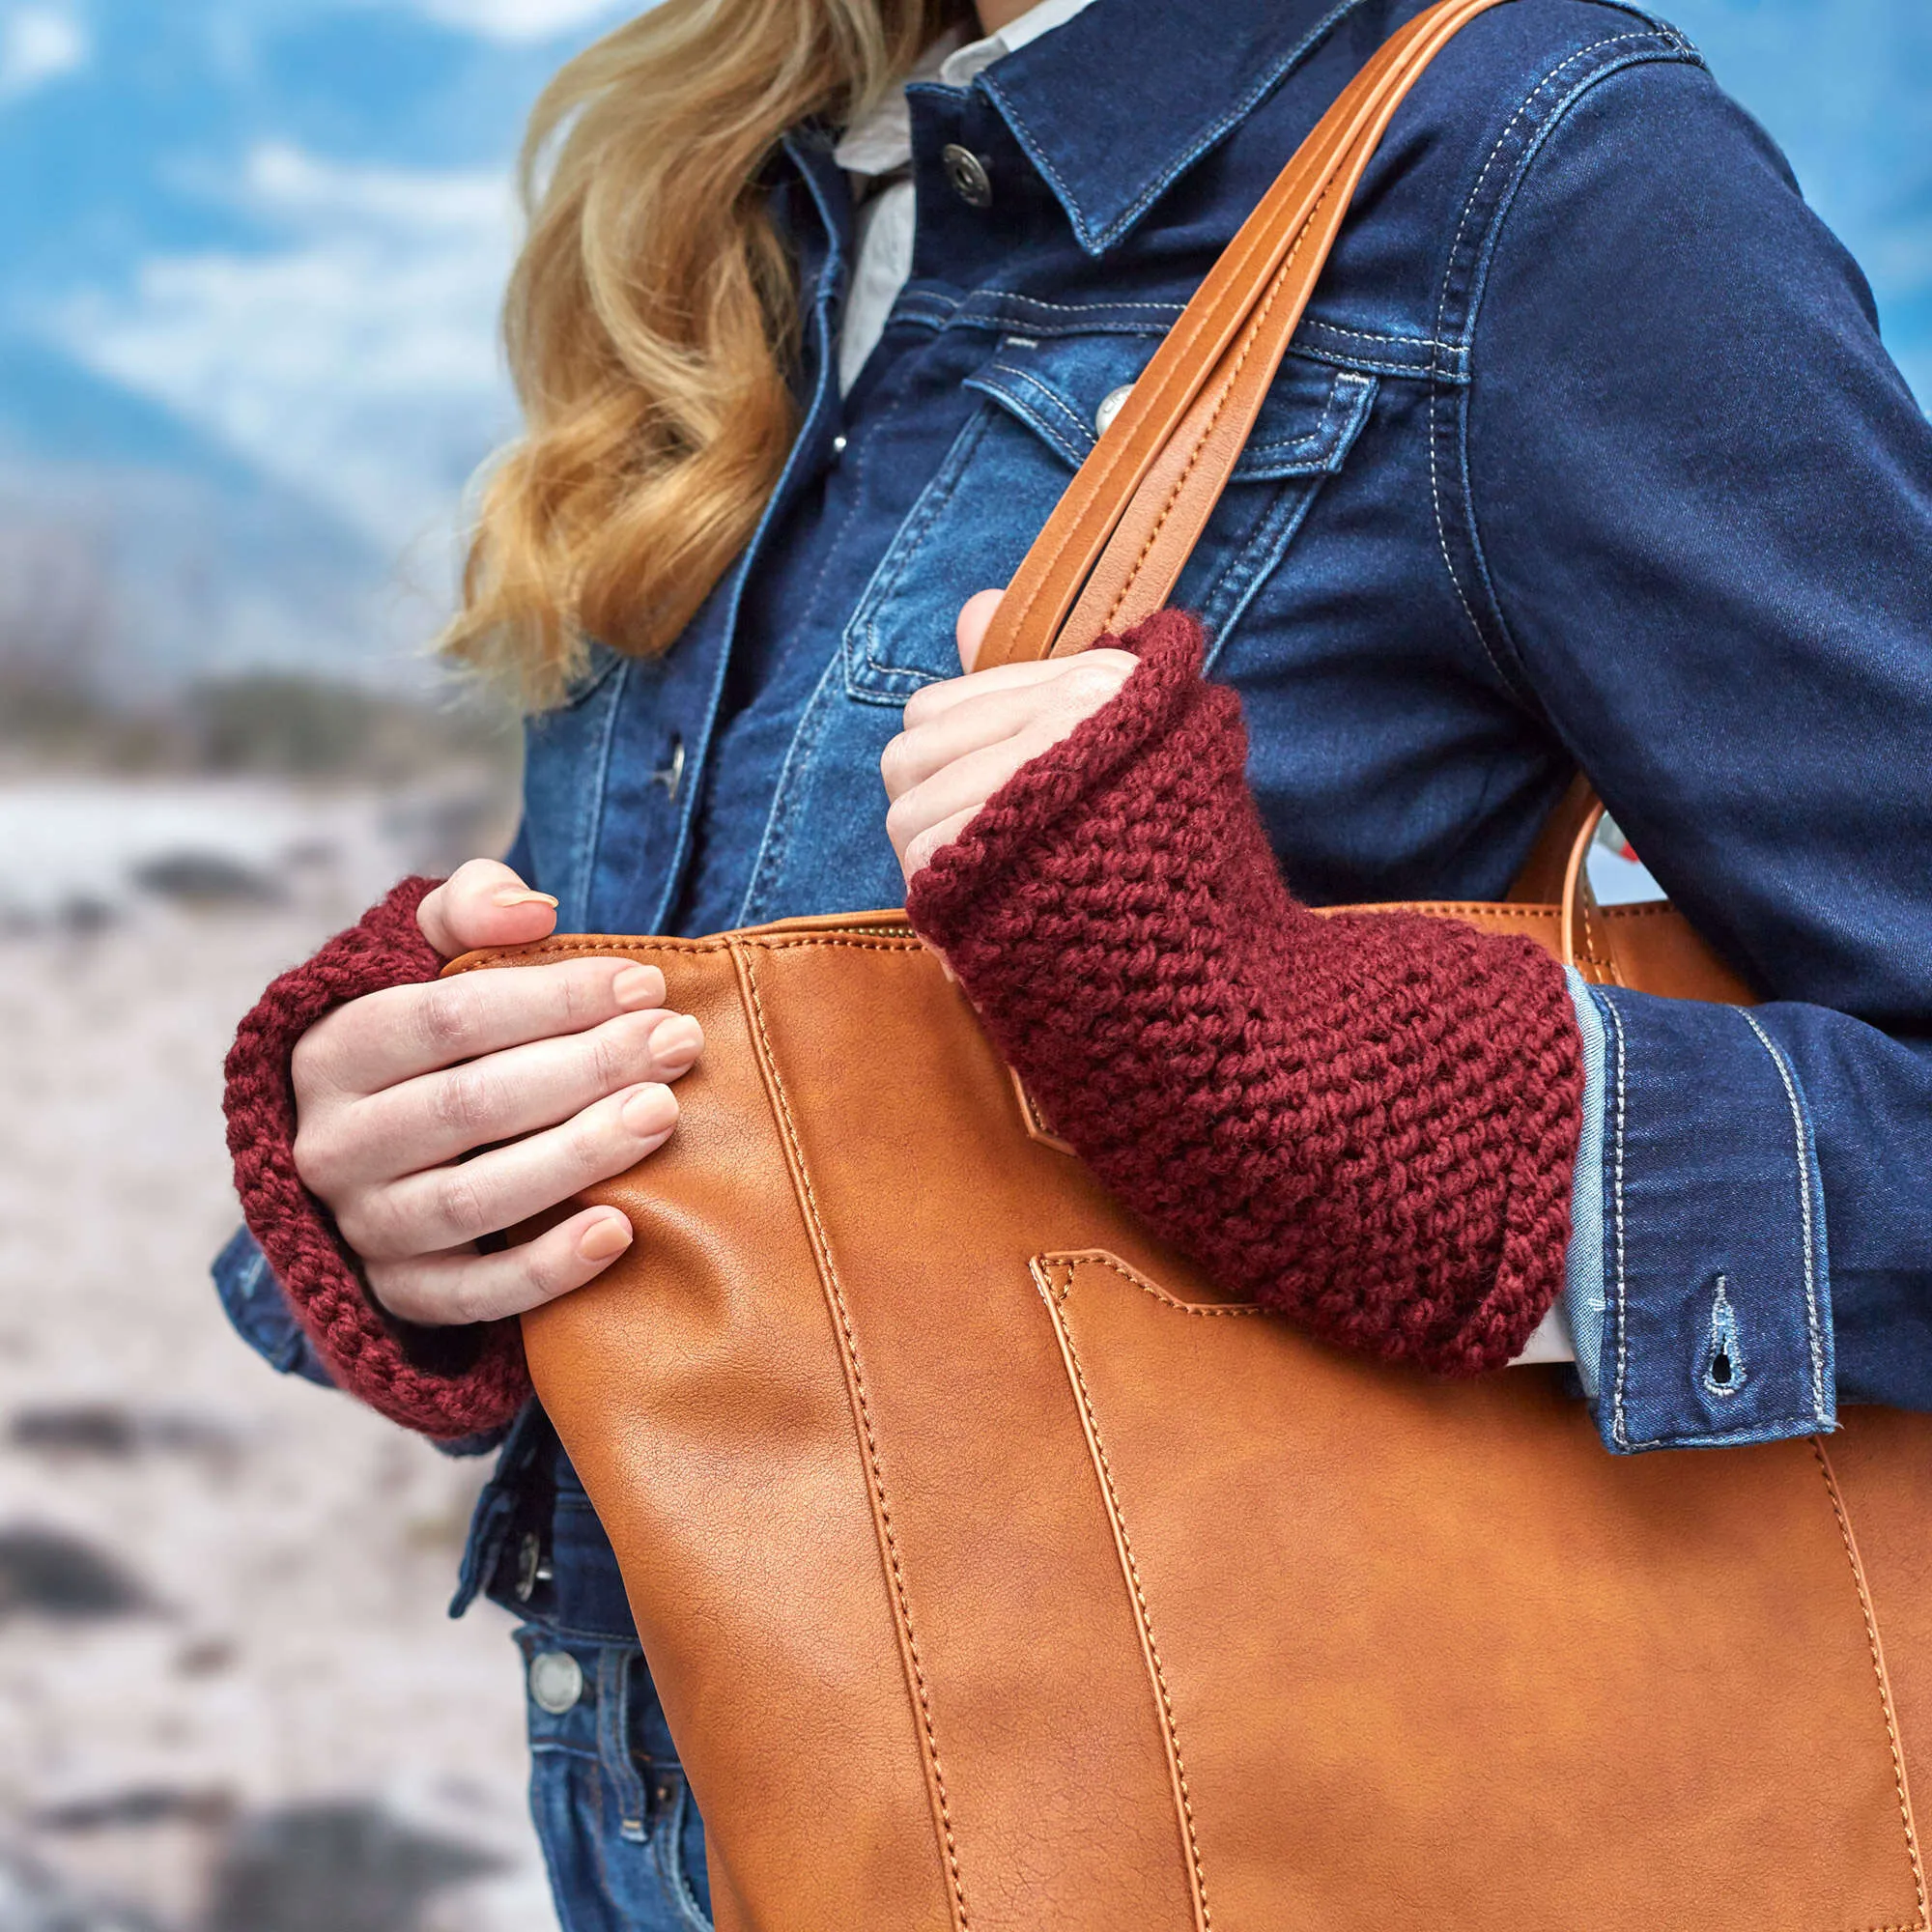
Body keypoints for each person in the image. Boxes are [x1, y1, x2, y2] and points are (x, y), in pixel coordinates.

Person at [213, 0, 1932, 1924]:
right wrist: (411, 1150)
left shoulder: (1543, 173)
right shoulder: (751, 177)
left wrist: (1406, 1109)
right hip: (655, 1791)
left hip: (1231, 1811)